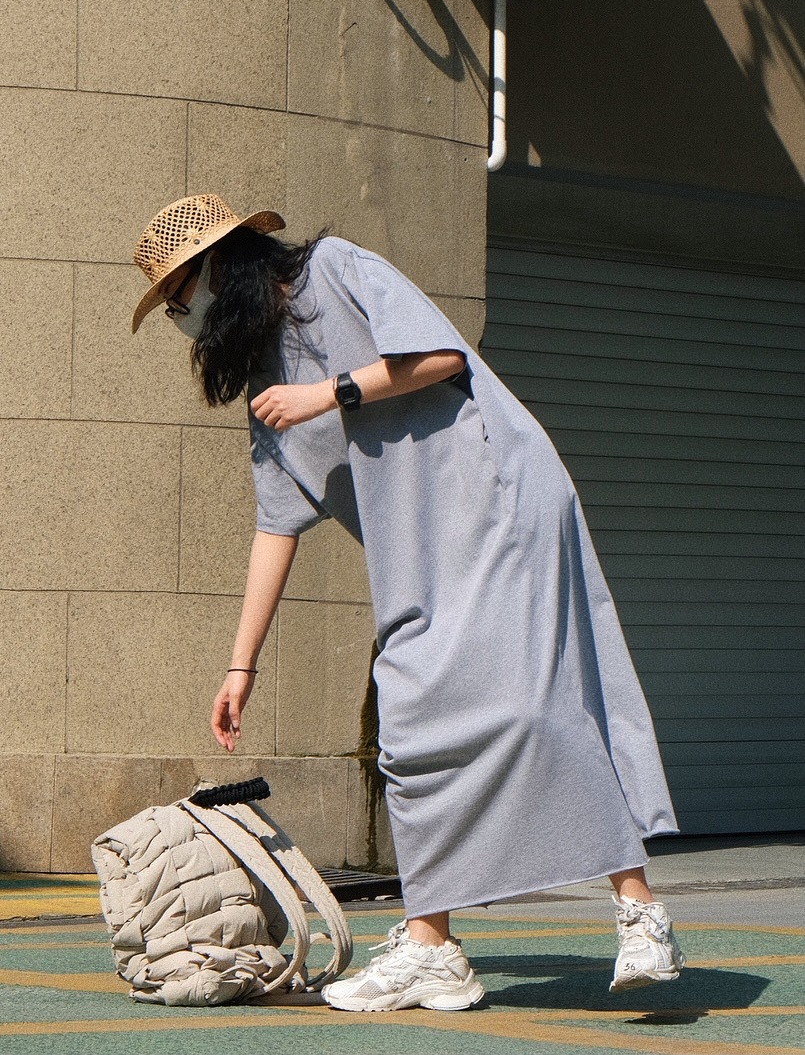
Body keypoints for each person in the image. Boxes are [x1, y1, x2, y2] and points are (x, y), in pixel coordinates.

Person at [131, 193, 686, 1013]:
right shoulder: (265, 380)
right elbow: (275, 525)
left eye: (180, 296)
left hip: (496, 493)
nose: (185, 319)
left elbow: (440, 355)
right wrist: (239, 665)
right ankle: (431, 947)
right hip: (418, 546)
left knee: (535, 704)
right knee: (409, 721)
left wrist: (329, 393)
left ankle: (639, 912)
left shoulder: (334, 269)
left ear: (222, 265)